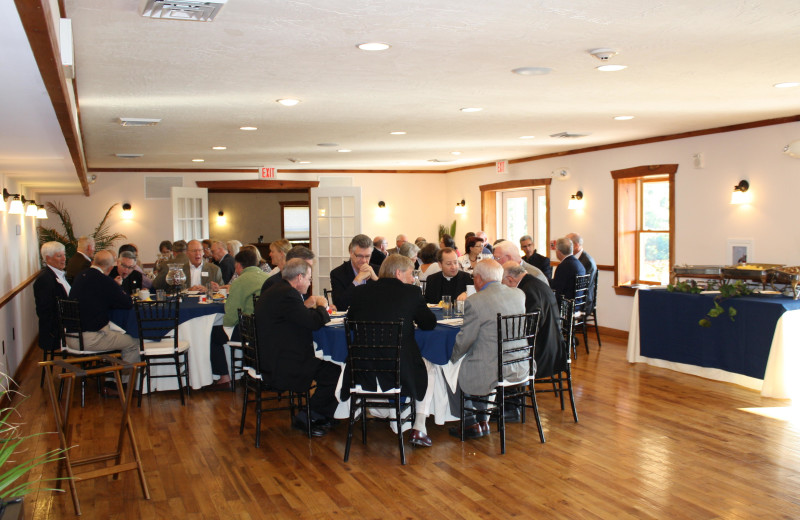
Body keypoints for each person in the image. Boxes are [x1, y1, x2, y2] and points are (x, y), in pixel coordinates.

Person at [346, 254, 437, 447]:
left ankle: (378, 411)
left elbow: (351, 323)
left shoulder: (360, 292)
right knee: (430, 366)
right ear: (398, 273)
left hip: (362, 367)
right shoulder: (411, 293)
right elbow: (429, 323)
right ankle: (419, 425)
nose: (413, 278)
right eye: (411, 273)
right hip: (399, 368)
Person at [255, 259, 338, 437]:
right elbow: (313, 322)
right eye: (308, 278)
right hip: (283, 362)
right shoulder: (288, 295)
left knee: (330, 369)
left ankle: (323, 415)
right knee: (335, 373)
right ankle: (308, 416)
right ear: (299, 277)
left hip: (272, 353)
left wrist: (305, 305)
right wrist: (322, 306)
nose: (309, 283)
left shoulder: (278, 290)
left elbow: (294, 316)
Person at [448, 259, 530, 439]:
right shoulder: (519, 294)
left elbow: (465, 341)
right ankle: (483, 419)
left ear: (478, 278)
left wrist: (451, 356)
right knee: (477, 357)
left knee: (451, 366)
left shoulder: (475, 301)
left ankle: (469, 421)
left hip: (493, 368)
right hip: (521, 363)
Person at [502, 262, 566, 412]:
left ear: (511, 279)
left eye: (503, 282)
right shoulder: (535, 283)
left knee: (503, 351)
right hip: (554, 345)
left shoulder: (527, 291)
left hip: (543, 352)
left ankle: (512, 406)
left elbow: (528, 330)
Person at [68, 250, 141, 372]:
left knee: (116, 335)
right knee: (134, 342)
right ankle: (124, 385)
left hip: (70, 335)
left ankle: (111, 376)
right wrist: (116, 286)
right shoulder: (104, 280)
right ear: (111, 267)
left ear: (93, 262)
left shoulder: (80, 276)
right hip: (88, 338)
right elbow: (127, 303)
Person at [208, 248, 270, 390]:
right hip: (268, 329)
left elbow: (232, 315)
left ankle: (224, 376)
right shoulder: (268, 278)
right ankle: (246, 371)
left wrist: (226, 326)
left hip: (249, 330)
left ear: (238, 265)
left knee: (213, 336)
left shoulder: (239, 282)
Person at [34, 241, 71, 356]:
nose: (64, 258)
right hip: (56, 332)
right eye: (59, 256)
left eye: (64, 255)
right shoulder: (45, 279)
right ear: (48, 258)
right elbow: (45, 311)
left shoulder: (58, 274)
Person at [329, 234, 380, 311]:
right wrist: (357, 280)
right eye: (359, 256)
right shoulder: (337, 273)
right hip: (351, 319)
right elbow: (339, 305)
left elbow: (388, 299)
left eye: (367, 256)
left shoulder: (378, 270)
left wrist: (376, 279)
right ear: (351, 252)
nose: (363, 260)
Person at [152, 239, 222, 292]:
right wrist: (188, 290)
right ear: (187, 253)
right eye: (194, 251)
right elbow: (172, 291)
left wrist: (211, 289)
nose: (198, 254)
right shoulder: (179, 270)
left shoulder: (215, 270)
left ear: (203, 252)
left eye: (200, 250)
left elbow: (222, 291)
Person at [566, 232, 598, 312]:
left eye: (568, 244)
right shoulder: (572, 258)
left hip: (583, 301)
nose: (565, 247)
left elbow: (582, 287)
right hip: (574, 297)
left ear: (576, 245)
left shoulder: (587, 262)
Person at [550, 237, 586, 302]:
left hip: (566, 306)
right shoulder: (580, 264)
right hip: (578, 304)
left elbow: (557, 289)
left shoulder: (564, 266)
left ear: (558, 252)